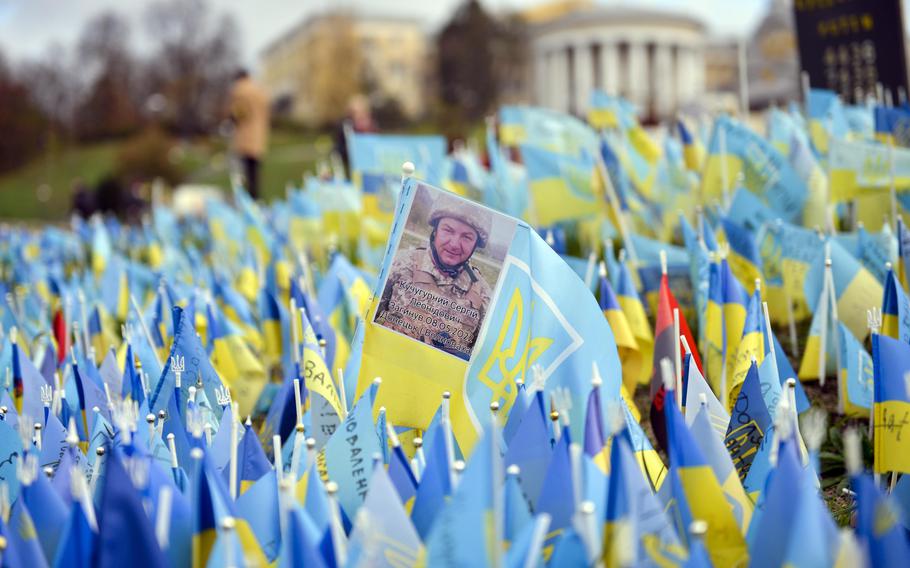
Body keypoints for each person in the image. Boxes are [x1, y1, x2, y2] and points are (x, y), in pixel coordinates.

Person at [376, 193, 493, 360]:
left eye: (467, 237)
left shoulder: (483, 295)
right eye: (448, 230)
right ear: (435, 231)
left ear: (475, 245)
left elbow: (479, 360)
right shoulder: (398, 264)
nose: (454, 244)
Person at [228, 69, 270, 199]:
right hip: (259, 135)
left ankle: (246, 200)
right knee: (255, 172)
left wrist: (233, 117)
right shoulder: (259, 90)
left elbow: (239, 113)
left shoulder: (239, 91)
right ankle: (255, 198)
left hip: (245, 136)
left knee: (244, 171)